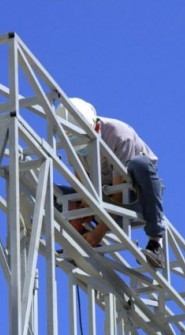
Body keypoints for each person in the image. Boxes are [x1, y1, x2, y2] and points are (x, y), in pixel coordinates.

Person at [55, 97, 166, 268]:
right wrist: (79, 210)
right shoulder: (72, 141)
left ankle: (155, 244)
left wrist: (99, 231)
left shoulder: (119, 135)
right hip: (104, 198)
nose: (81, 149)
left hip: (135, 200)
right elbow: (82, 184)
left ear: (97, 127)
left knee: (140, 165)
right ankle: (83, 241)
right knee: (55, 194)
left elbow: (118, 195)